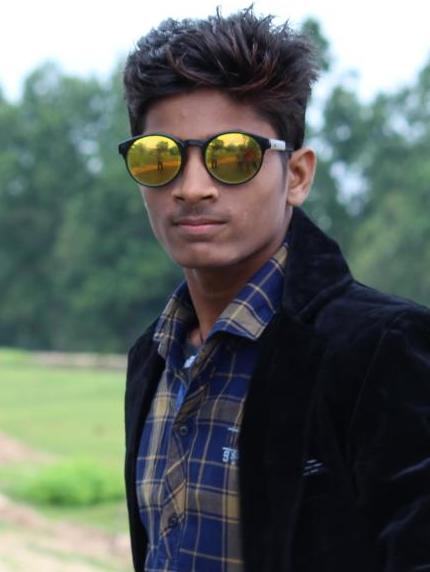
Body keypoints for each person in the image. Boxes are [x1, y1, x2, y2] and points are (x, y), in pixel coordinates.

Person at [119, 8, 430, 572]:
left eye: (233, 156)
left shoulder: (380, 350)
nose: (192, 187)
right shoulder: (154, 357)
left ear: (298, 176)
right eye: (160, 157)